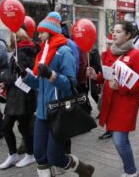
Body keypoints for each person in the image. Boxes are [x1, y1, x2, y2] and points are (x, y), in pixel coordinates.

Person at [23, 12, 94, 177]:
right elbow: (41, 85)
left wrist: (51, 75)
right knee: (40, 154)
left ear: (51, 31)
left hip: (58, 111)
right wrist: (24, 77)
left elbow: (70, 84)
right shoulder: (43, 52)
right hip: (42, 112)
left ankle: (84, 169)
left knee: (55, 156)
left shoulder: (65, 51)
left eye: (41, 32)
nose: (38, 35)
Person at [86, 21, 139, 177]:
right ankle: (129, 170)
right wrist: (96, 76)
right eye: (113, 31)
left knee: (120, 141)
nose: (114, 34)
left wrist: (120, 87)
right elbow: (108, 77)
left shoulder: (136, 55)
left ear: (128, 35)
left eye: (119, 31)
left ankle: (132, 171)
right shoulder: (109, 52)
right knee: (118, 140)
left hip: (125, 104)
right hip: (110, 102)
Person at [0, 28, 37, 169]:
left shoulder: (22, 53)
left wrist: (4, 77)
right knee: (8, 126)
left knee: (23, 128)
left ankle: (30, 155)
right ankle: (13, 154)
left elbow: (20, 75)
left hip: (22, 97)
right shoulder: (23, 51)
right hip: (16, 96)